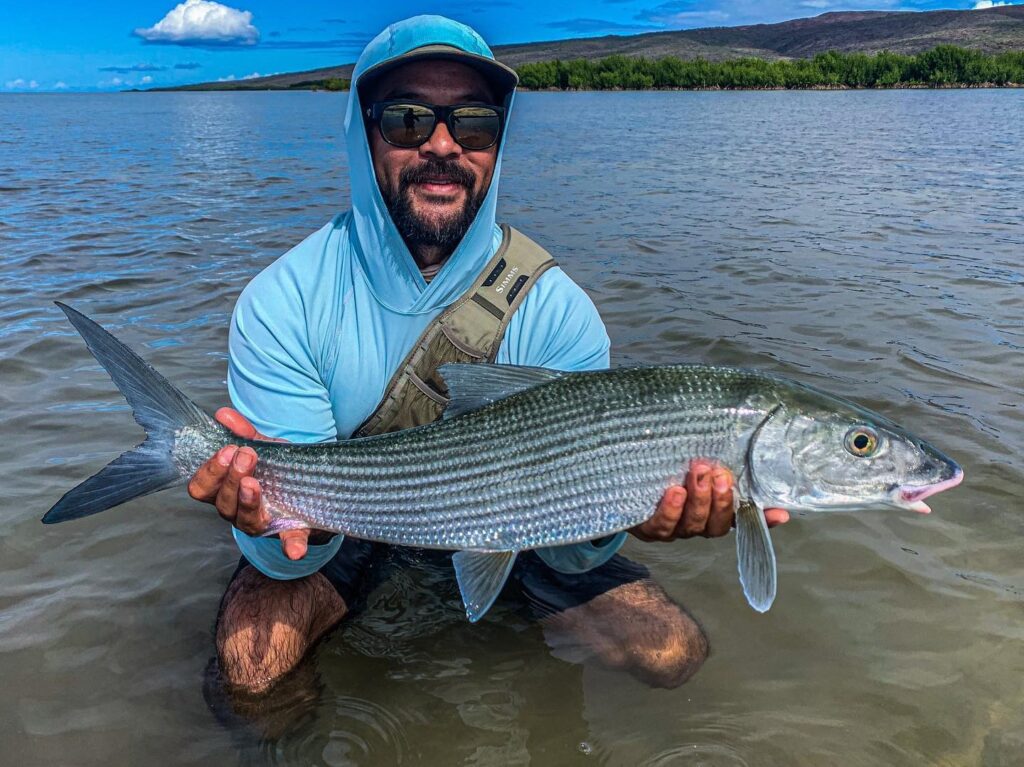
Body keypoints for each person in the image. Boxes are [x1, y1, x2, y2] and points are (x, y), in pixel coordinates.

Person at [187, 15, 788, 695]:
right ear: (362, 132)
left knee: (671, 650)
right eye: (408, 120)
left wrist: (629, 514)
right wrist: (279, 519)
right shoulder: (285, 299)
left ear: (497, 144)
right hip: (346, 525)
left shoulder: (558, 310)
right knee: (253, 673)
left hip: (524, 521)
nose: (443, 145)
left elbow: (572, 549)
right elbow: (289, 556)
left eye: (474, 124)